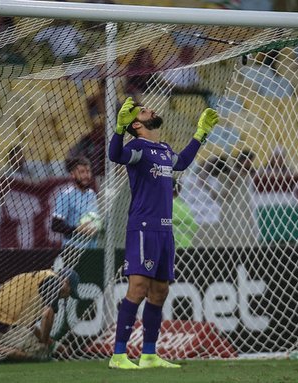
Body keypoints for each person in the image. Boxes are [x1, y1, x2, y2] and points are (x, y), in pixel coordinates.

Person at [107, 97, 218, 369]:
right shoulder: (137, 148)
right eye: (144, 111)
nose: (151, 110)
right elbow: (115, 156)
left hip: (165, 231)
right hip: (144, 228)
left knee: (159, 292)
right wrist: (119, 130)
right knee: (138, 288)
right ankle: (119, 355)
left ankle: (148, 354)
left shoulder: (164, 150)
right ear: (136, 123)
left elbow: (181, 163)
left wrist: (200, 134)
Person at [0, 268, 80, 362]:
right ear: (66, 282)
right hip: (1, 322)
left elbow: (30, 327)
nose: (67, 296)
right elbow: (48, 314)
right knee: (38, 354)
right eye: (70, 292)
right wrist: (44, 343)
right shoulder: (54, 282)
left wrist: (52, 343)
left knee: (31, 345)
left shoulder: (41, 277)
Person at [51, 157, 99, 249]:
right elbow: (55, 225)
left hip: (92, 249)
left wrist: (96, 227)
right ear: (73, 174)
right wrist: (78, 230)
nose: (86, 175)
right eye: (82, 172)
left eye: (88, 171)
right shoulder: (66, 195)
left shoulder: (92, 194)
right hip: (72, 250)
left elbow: (95, 220)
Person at [171, 179, 197, 249]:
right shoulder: (185, 208)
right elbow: (194, 227)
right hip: (186, 246)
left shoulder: (161, 207)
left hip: (168, 247)